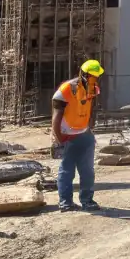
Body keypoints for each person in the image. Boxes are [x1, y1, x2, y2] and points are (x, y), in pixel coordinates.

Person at [51, 59, 104, 212]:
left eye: (96, 77)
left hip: (84, 133)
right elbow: (56, 115)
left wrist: (89, 128)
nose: (94, 80)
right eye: (92, 76)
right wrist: (60, 139)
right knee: (67, 170)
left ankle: (87, 200)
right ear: (83, 74)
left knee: (87, 170)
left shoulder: (92, 89)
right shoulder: (66, 90)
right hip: (68, 135)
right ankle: (66, 203)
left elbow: (89, 108)